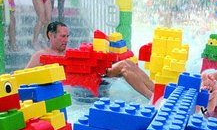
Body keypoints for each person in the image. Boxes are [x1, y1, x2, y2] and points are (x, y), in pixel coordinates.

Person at [26, 22, 154, 100]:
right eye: (63, 36)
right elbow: (24, 77)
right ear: (50, 35)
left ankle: (156, 90)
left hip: (96, 76)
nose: (66, 40)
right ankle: (152, 97)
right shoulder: (41, 56)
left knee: (128, 63)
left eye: (67, 36)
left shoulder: (69, 52)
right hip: (81, 87)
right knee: (124, 68)